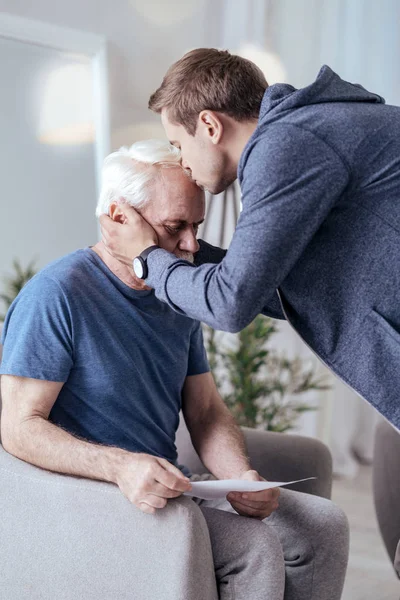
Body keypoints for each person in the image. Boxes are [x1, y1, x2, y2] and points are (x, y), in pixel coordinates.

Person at [0, 140, 349, 600]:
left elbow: (203, 410)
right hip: (94, 494)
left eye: (195, 226)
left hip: (165, 486)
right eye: (174, 227)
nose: (190, 246)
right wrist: (120, 466)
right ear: (119, 216)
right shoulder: (56, 295)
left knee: (325, 526)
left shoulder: (173, 289)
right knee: (254, 547)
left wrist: (241, 475)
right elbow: (18, 427)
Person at [99, 48, 400, 431]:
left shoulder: (286, 145)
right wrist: (178, 247)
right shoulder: (313, 128)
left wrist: (147, 257)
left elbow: (231, 304)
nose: (184, 164)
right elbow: (294, 286)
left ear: (209, 126)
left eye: (178, 144)